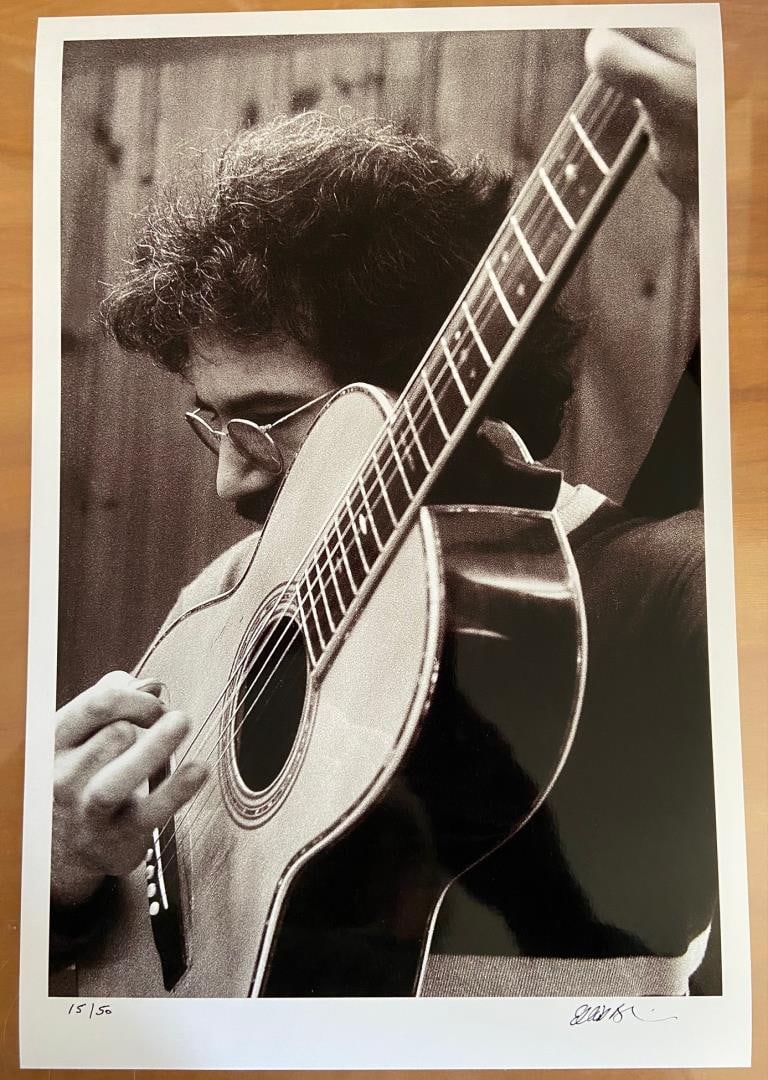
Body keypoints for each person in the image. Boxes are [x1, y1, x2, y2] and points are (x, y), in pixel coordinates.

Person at [50, 28, 717, 995]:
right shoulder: (233, 599)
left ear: (428, 392)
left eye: (267, 420)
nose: (230, 485)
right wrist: (64, 875)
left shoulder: (663, 587)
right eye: (214, 428)